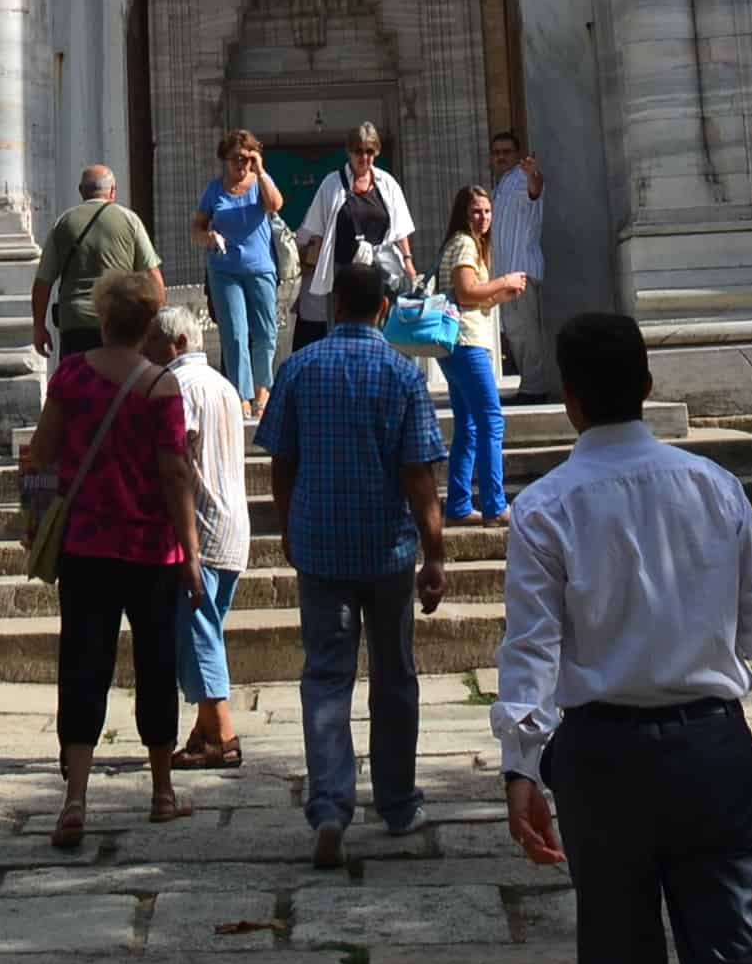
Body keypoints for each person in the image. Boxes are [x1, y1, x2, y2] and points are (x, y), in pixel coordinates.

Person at [494, 308, 752, 964]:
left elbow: (532, 649)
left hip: (600, 760)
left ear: (570, 399)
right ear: (648, 384)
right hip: (712, 747)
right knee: (739, 956)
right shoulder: (714, 487)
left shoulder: (543, 508)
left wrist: (520, 766)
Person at [257, 256, 446, 862]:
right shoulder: (403, 375)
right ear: (385, 310)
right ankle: (397, 802)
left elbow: (279, 461)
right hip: (387, 550)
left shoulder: (298, 369)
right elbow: (419, 475)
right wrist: (434, 552)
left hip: (320, 545)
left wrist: (289, 527)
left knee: (326, 676)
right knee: (394, 677)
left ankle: (331, 804)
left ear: (336, 307)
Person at [17, 265, 203, 850]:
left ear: (101, 319)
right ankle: (162, 790)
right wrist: (193, 552)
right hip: (153, 548)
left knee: (83, 663)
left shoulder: (70, 376)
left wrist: (32, 520)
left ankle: (75, 797)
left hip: (86, 544)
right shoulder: (162, 386)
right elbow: (175, 473)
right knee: (155, 663)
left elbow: (40, 454)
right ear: (149, 322)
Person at [151, 299, 252, 768]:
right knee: (207, 628)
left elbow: (173, 459)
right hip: (233, 525)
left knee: (198, 630)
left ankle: (222, 734)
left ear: (178, 343)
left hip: (202, 528)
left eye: (156, 342)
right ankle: (203, 730)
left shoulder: (179, 386)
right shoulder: (226, 387)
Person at [437, 183, 523, 525]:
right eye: (476, 211)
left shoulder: (465, 244)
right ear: (463, 213)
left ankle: (458, 506)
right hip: (466, 343)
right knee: (490, 420)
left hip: (458, 343)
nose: (483, 217)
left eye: (487, 211)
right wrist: (503, 281)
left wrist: (503, 293)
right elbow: (467, 291)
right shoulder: (464, 244)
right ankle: (494, 504)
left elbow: (471, 298)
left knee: (469, 425)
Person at [290, 123, 416, 352]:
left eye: (370, 151)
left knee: (381, 332)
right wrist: (305, 264)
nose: (364, 157)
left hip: (379, 273)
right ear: (349, 151)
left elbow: (401, 229)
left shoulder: (387, 184)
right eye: (359, 151)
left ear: (376, 152)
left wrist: (408, 263)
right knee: (342, 333)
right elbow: (316, 231)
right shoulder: (332, 184)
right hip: (343, 274)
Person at [192, 127, 283, 419]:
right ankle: (241, 395)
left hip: (260, 269)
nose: (241, 165)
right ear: (224, 159)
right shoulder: (214, 190)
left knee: (265, 333)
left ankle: (262, 392)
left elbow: (275, 205)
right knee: (235, 334)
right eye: (235, 159)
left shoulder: (259, 184)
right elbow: (196, 227)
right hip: (224, 270)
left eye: (246, 158)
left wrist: (262, 171)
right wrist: (208, 238)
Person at [33, 162, 161, 363]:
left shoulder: (64, 223)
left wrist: (39, 327)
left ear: (81, 191)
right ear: (112, 191)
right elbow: (154, 278)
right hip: (119, 320)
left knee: (78, 384)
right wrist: (151, 323)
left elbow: (43, 282)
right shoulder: (130, 220)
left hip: (75, 322)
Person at [488, 130, 548, 397]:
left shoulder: (523, 178)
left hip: (521, 269)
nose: (501, 157)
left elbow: (535, 189)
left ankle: (535, 388)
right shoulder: (499, 187)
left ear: (517, 154)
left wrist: (532, 174)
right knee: (515, 333)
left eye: (507, 152)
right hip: (505, 273)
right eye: (497, 152)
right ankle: (529, 384)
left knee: (527, 333)